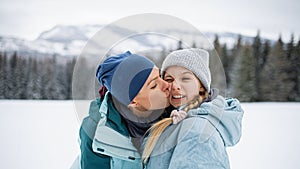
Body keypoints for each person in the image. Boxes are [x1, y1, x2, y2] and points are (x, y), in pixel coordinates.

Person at [142, 48, 244, 169]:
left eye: (185, 79)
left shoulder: (197, 132)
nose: (175, 86)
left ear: (201, 86)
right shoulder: (172, 119)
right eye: (169, 79)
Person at [79, 51, 171, 169]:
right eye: (153, 85)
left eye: (160, 76)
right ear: (133, 101)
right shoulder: (95, 131)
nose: (166, 85)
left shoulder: (179, 110)